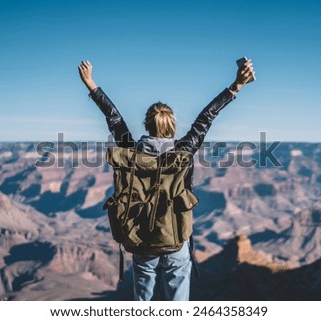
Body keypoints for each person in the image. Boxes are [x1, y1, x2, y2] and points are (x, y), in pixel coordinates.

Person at [78, 58, 255, 300]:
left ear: (147, 126)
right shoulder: (182, 152)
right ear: (172, 126)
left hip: (141, 240)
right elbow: (205, 119)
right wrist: (236, 86)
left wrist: (91, 84)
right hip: (175, 241)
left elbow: (114, 119)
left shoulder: (131, 153)